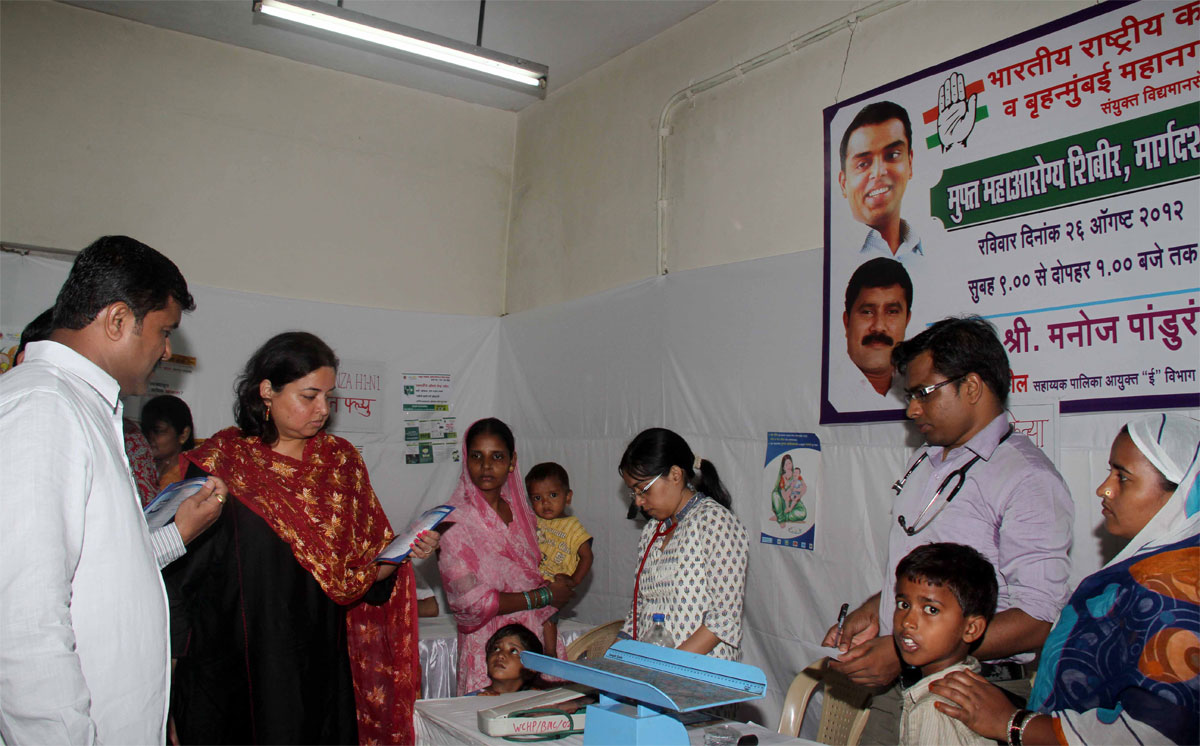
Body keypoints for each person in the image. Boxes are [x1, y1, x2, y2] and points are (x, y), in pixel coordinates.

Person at [0, 235, 226, 744]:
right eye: (164, 331)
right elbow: (22, 621)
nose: (167, 350)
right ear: (118, 320)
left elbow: (100, 570)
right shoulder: (41, 407)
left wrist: (178, 533)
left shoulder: (85, 408)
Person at [166, 331, 437, 744]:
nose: (323, 410)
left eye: (329, 397)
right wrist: (169, 679)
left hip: (319, 663)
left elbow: (364, 572)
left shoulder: (341, 463)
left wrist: (404, 552)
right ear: (267, 392)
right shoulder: (222, 465)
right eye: (309, 396)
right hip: (235, 668)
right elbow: (182, 579)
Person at [823, 316, 1073, 745]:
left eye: (923, 393)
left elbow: (1038, 619)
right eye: (909, 395)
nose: (911, 409)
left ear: (972, 387)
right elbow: (933, 580)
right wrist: (879, 608)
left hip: (970, 698)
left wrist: (903, 650)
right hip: (900, 689)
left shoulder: (1027, 480)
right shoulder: (928, 460)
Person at [930, 413, 1200, 746]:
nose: (1105, 489)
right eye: (1109, 472)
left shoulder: (1174, 591)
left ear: (1182, 491)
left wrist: (1012, 723)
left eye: (1123, 477)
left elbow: (1151, 733)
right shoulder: (1158, 569)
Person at [438, 418, 574, 695]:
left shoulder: (523, 513)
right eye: (477, 456)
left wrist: (559, 586)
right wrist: (544, 597)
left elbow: (541, 569)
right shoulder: (452, 521)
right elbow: (470, 602)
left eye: (497, 457)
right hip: (489, 649)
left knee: (540, 728)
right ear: (466, 459)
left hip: (534, 641)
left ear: (512, 461)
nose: (486, 466)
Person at [619, 428, 748, 659]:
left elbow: (724, 619)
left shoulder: (715, 522)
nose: (638, 501)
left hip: (702, 674)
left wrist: (668, 668)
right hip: (656, 672)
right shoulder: (652, 530)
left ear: (676, 475)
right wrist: (615, 659)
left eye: (643, 489)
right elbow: (638, 612)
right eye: (633, 493)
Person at [893, 543, 998, 746]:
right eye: (903, 605)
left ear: (971, 629)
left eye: (931, 610)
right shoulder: (970, 690)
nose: (907, 622)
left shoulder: (935, 708)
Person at [838, 100, 922, 263]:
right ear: (843, 183)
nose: (878, 172)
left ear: (909, 163)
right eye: (863, 164)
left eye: (892, 155)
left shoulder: (925, 254)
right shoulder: (842, 260)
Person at [527, 461, 594, 658]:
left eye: (553, 495)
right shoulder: (533, 521)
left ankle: (549, 656)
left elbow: (587, 556)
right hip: (531, 583)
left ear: (568, 497)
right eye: (537, 498)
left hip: (555, 585)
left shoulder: (573, 526)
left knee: (548, 619)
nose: (545, 503)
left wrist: (574, 580)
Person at [841, 257, 912, 399]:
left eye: (892, 312)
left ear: (907, 320)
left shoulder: (917, 393)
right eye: (867, 312)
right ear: (847, 321)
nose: (879, 327)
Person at [468, 624, 546, 696]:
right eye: (496, 649)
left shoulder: (537, 701)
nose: (500, 655)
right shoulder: (472, 699)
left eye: (513, 651)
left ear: (531, 667)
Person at [141, 393, 196, 489]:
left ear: (184, 434)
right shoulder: (140, 469)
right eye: (145, 430)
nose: (149, 437)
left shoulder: (193, 479)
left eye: (158, 431)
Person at [770, 453, 807, 523]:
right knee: (775, 494)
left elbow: (804, 487)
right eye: (786, 464)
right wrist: (792, 487)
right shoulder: (782, 478)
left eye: (790, 463)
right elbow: (785, 496)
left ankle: (782, 516)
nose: (788, 466)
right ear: (783, 467)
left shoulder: (796, 474)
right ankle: (783, 516)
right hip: (785, 504)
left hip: (795, 502)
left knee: (803, 513)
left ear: (792, 464)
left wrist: (799, 495)